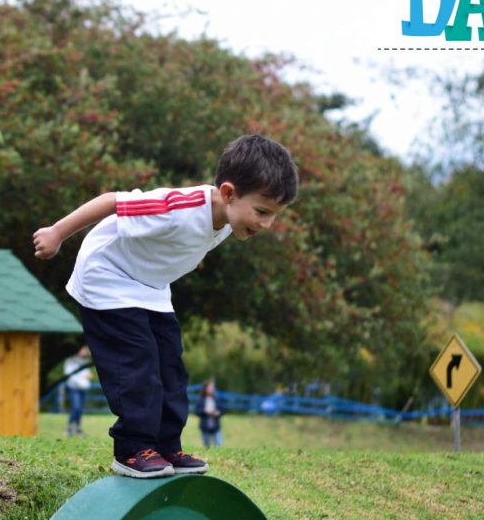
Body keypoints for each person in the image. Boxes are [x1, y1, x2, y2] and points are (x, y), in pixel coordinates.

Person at [33, 135, 297, 478]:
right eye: (262, 212)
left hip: (150, 287)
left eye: (274, 216)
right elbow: (113, 201)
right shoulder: (177, 206)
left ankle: (165, 445)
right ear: (229, 193)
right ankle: (131, 450)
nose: (266, 224)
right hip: (108, 275)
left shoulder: (229, 218)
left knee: (171, 368)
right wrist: (57, 233)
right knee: (138, 363)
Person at [63, 345, 93, 437]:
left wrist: (85, 377)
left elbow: (88, 375)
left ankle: (78, 428)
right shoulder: (71, 360)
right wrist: (81, 377)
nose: (85, 352)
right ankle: (69, 427)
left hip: (83, 388)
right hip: (74, 387)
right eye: (83, 349)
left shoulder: (86, 361)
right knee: (76, 408)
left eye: (86, 350)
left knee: (80, 409)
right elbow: (69, 374)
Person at [195, 379, 224, 448]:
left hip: (216, 426)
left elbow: (222, 410)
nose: (212, 389)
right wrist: (205, 411)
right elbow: (197, 411)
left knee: (219, 446)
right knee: (207, 447)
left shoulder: (216, 398)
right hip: (205, 426)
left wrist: (218, 413)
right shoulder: (200, 399)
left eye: (212, 387)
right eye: (210, 387)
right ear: (205, 388)